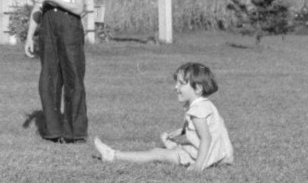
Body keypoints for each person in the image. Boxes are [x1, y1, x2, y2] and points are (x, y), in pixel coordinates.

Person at [93, 62, 234, 172]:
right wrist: (182, 131)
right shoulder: (205, 104)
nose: (175, 87)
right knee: (168, 150)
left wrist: (198, 166)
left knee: (157, 153)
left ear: (197, 88)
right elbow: (206, 128)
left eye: (181, 83)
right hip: (218, 154)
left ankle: (112, 155)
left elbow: (206, 138)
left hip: (202, 156)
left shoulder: (198, 109)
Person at [24, 0, 88, 143]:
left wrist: (53, 0)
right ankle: (53, 131)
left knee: (74, 79)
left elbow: (79, 9)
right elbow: (37, 8)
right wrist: (29, 36)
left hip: (69, 28)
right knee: (49, 79)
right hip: (48, 29)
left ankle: (74, 132)